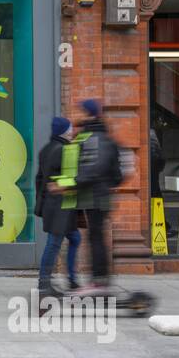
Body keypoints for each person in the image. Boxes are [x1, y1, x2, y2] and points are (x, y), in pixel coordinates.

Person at [71, 99, 123, 294]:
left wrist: (73, 182)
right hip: (99, 195)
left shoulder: (93, 138)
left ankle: (99, 280)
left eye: (82, 112)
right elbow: (117, 175)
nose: (79, 116)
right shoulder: (106, 137)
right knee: (96, 237)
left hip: (94, 196)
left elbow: (94, 167)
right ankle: (100, 279)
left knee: (96, 237)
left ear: (89, 114)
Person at [34, 117, 80, 297]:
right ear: (64, 131)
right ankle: (44, 283)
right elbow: (69, 178)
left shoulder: (45, 149)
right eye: (70, 128)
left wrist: (41, 200)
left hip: (52, 205)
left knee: (75, 238)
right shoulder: (65, 150)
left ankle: (72, 279)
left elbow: (40, 179)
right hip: (61, 206)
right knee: (53, 243)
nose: (72, 131)